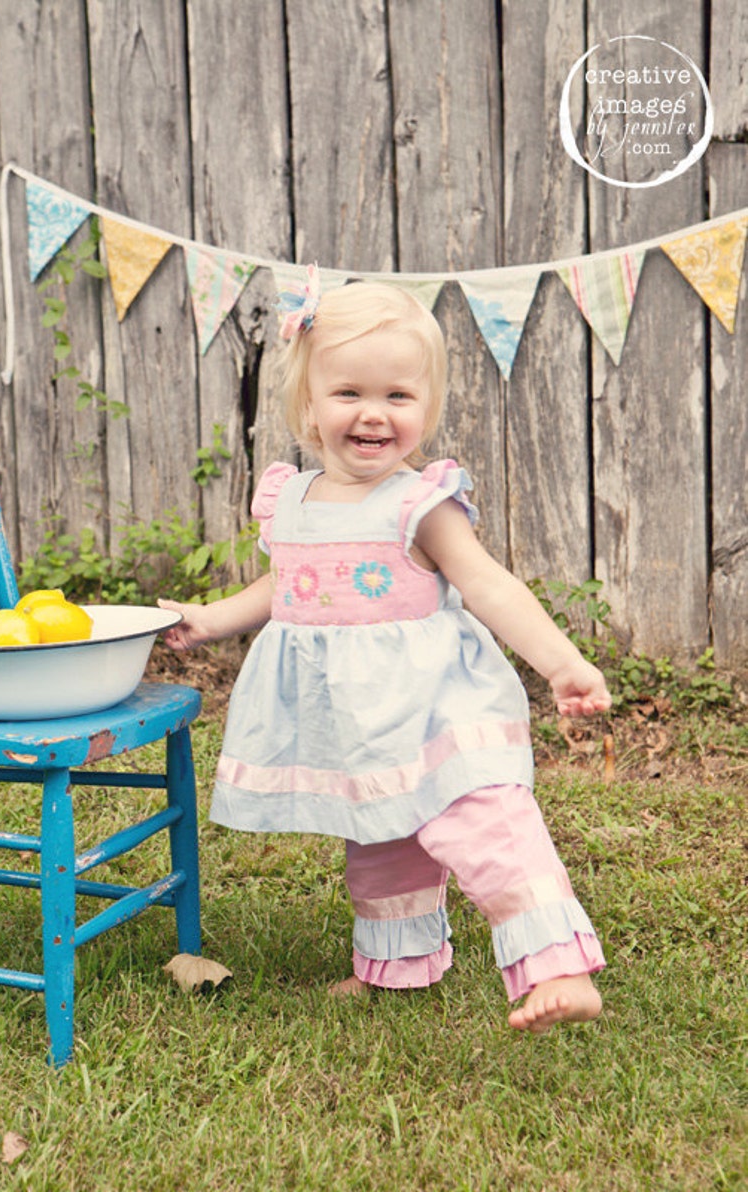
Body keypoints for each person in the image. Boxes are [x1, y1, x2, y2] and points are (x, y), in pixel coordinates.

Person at [160, 268, 611, 1033]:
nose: (374, 415)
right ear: (309, 404)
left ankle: (558, 969)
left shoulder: (420, 504)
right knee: (380, 834)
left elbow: (491, 586)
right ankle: (397, 965)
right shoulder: (292, 499)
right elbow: (289, 585)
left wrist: (564, 664)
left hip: (437, 704)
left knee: (484, 822)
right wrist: (211, 618)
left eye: (398, 397)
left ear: (426, 408)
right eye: (350, 394)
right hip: (361, 720)